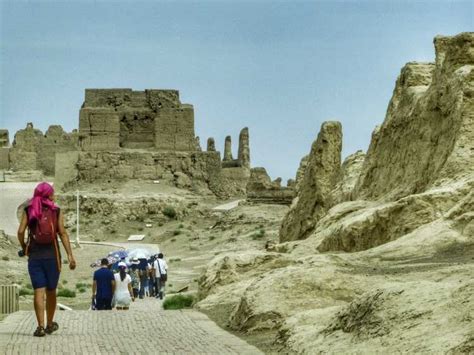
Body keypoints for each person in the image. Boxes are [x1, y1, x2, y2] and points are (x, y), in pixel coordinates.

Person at [17, 182, 76, 337]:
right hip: (53, 256)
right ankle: (50, 324)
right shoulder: (55, 210)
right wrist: (70, 255)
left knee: (38, 291)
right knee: (51, 291)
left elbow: (21, 231)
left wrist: (25, 248)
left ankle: (40, 327)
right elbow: (62, 233)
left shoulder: (29, 209)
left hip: (35, 256)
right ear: (48, 194)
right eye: (52, 192)